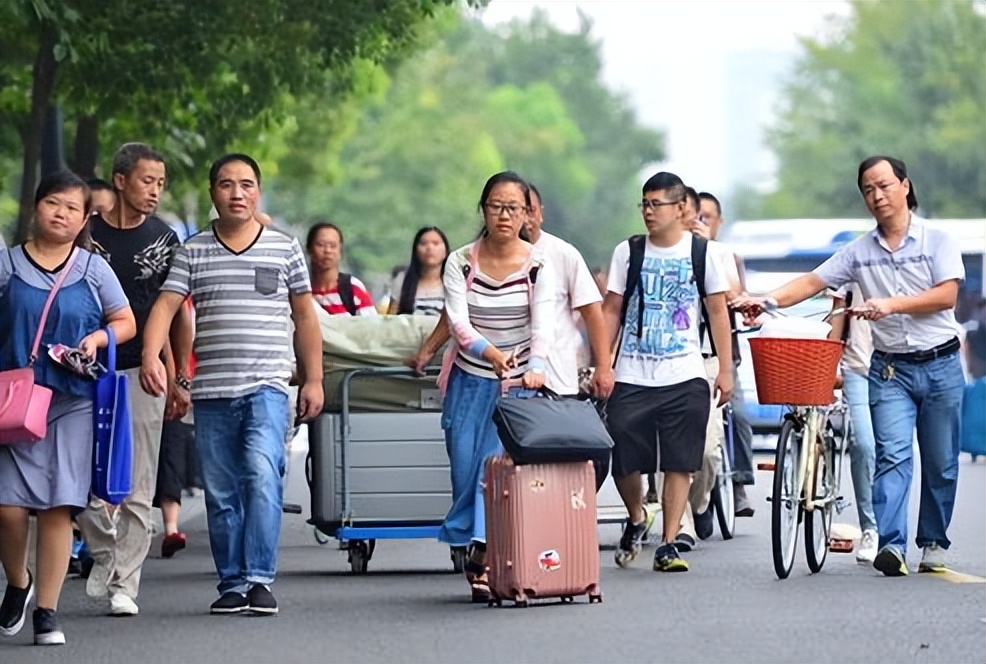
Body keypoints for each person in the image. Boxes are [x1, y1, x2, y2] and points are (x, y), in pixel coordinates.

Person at [733, 155, 966, 577]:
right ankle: (891, 545)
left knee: (940, 461)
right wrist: (766, 299)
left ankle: (933, 540)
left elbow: (947, 295)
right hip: (889, 370)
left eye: (884, 185)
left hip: (941, 363)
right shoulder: (858, 253)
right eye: (868, 190)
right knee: (890, 454)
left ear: (905, 187)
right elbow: (812, 282)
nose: (877, 196)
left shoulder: (938, 241)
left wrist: (891, 305)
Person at [140, 153, 324, 615]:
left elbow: (304, 315)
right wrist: (151, 358)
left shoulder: (283, 248)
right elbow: (166, 306)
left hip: (266, 387)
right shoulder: (193, 250)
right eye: (226, 184)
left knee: (262, 475)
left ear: (258, 191)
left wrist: (315, 379)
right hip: (213, 393)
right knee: (222, 492)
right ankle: (232, 582)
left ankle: (260, 578)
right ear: (212, 193)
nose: (236, 193)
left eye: (246, 184)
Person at [0, 171, 136, 645]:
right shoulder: (7, 265)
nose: (61, 213)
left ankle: (47, 613)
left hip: (72, 401)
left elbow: (125, 321)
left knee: (59, 507)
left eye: (72, 208)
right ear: (36, 207)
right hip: (15, 404)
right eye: (53, 203)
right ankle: (19, 581)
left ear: (84, 219)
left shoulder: (93, 268)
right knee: (8, 508)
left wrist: (99, 338)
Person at [76, 142, 191, 617]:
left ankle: (126, 582)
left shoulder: (165, 240)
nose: (155, 191)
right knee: (80, 482)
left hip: (145, 369)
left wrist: (179, 375)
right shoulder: (86, 237)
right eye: (148, 180)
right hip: (84, 370)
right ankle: (105, 555)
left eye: (161, 183)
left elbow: (177, 312)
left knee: (140, 482)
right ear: (120, 180)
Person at [602, 171, 733, 573]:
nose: (648, 211)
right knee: (623, 455)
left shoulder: (703, 254)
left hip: (686, 371)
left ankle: (670, 540)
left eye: (656, 204)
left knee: (680, 460)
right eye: (644, 203)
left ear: (680, 208)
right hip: (632, 373)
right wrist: (603, 363)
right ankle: (637, 516)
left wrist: (725, 370)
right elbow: (612, 308)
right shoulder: (629, 252)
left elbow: (717, 312)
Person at [439, 171, 554, 602]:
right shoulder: (460, 261)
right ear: (483, 210)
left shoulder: (539, 264)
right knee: (465, 472)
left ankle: (485, 559)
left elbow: (543, 325)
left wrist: (536, 365)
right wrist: (490, 354)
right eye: (496, 206)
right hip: (469, 380)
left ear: (527, 214)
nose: (504, 215)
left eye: (513, 207)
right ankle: (474, 542)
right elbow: (459, 323)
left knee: (494, 472)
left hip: (518, 385)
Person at [827, 284, 879, 563]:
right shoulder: (852, 262)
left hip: (898, 366)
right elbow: (836, 320)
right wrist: (829, 369)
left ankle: (894, 532)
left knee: (893, 451)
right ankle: (871, 528)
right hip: (857, 369)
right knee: (863, 444)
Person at [306, 222, 376, 316]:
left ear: (340, 251)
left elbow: (371, 327)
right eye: (321, 245)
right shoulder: (300, 292)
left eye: (333, 246)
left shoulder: (353, 289)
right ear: (309, 249)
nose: (328, 250)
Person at [388, 227, 449, 316]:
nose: (429, 248)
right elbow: (391, 318)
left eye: (435, 243)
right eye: (423, 243)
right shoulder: (402, 280)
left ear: (446, 251)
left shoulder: (456, 281)